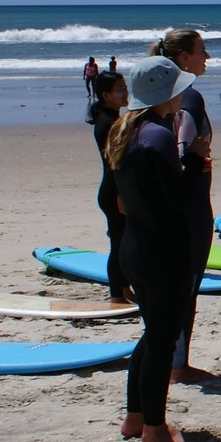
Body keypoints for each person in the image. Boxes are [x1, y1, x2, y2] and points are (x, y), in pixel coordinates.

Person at [107, 56, 198, 442]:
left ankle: (135, 416)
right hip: (163, 252)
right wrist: (195, 162)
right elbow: (179, 199)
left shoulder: (124, 130)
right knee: (162, 341)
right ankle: (155, 429)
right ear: (168, 93)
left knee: (153, 334)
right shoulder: (158, 135)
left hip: (135, 248)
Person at [150, 29, 216, 383]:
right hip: (189, 205)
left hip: (183, 202)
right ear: (184, 58)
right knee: (185, 287)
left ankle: (177, 363)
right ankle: (178, 366)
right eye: (202, 50)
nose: (207, 57)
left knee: (181, 287)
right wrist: (195, 159)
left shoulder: (167, 99)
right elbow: (181, 151)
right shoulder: (187, 99)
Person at [88, 70, 132, 302]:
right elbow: (114, 163)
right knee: (118, 244)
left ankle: (124, 288)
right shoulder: (108, 123)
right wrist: (121, 194)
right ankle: (117, 294)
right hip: (113, 191)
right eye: (120, 89)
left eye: (125, 87)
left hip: (116, 189)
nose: (126, 93)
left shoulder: (113, 118)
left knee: (122, 241)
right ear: (105, 95)